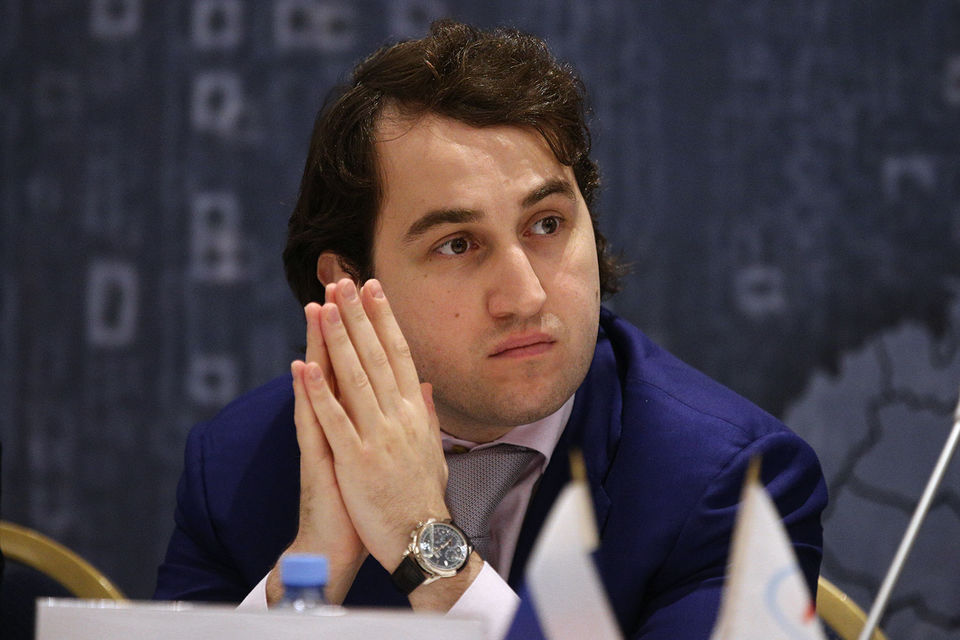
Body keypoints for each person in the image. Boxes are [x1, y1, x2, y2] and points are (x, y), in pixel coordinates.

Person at [155, 20, 827, 639]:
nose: (526, 296)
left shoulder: (730, 484)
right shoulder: (240, 470)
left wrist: (423, 542)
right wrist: (308, 576)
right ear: (349, 287)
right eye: (457, 244)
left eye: (547, 225)